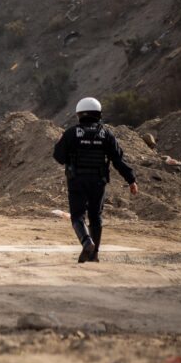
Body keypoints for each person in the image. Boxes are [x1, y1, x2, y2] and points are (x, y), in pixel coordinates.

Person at [53, 97, 139, 263]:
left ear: (79, 114)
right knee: (95, 216)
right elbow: (118, 160)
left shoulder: (71, 133)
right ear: (98, 114)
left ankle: (86, 242)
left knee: (77, 215)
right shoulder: (106, 134)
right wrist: (131, 180)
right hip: (98, 181)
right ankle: (94, 255)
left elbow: (58, 156)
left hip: (76, 181)